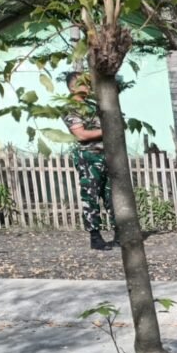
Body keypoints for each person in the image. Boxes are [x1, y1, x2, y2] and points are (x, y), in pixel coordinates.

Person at [62, 71, 114, 251]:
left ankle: (120, 235)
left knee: (112, 196)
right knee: (91, 196)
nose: (88, 85)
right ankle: (95, 237)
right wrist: (109, 130)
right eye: (83, 83)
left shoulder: (92, 105)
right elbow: (81, 135)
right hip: (89, 157)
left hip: (107, 155)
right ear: (72, 88)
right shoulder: (71, 108)